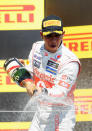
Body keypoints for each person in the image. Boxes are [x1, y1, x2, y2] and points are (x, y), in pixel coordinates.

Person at [20, 15, 81, 131]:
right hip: (40, 113)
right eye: (49, 36)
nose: (53, 40)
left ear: (63, 34)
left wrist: (40, 91)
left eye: (57, 35)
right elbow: (31, 74)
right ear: (41, 34)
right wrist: (20, 70)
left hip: (61, 117)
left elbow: (61, 93)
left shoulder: (70, 61)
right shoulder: (36, 48)